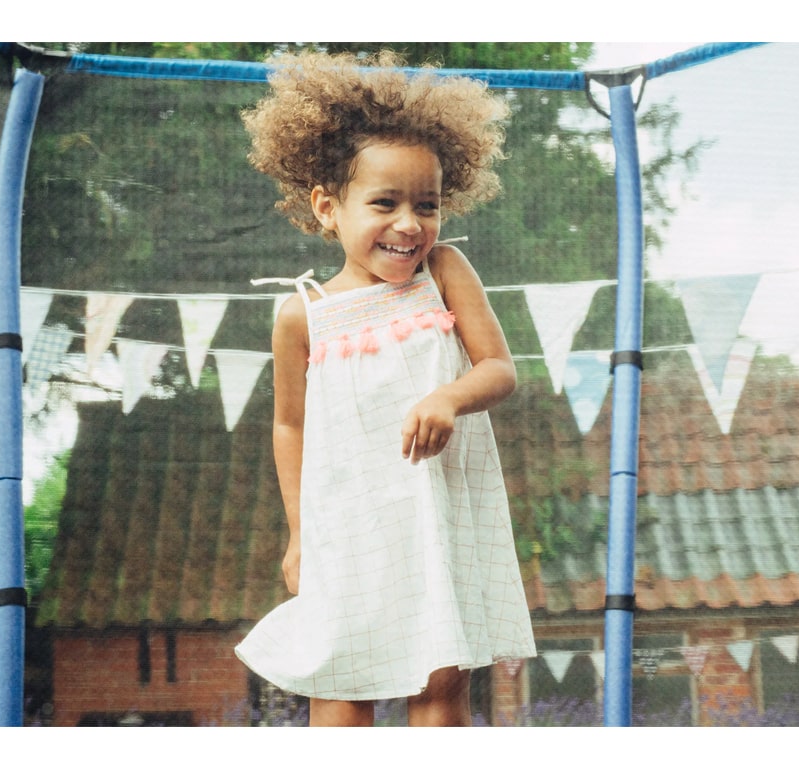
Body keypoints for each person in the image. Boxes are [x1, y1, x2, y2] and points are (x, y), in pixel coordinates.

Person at [235, 50, 536, 727]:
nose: (409, 224)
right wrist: (299, 533)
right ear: (327, 208)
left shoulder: (445, 271)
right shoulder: (302, 315)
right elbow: (290, 426)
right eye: (384, 203)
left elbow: (498, 368)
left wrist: (448, 397)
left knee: (440, 685)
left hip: (437, 514)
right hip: (347, 527)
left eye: (427, 205)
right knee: (342, 684)